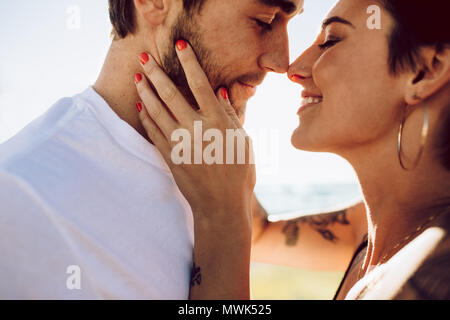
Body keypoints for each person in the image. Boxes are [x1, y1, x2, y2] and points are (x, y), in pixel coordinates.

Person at [135, 0, 450, 299]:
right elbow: (258, 231)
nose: (293, 68)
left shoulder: (433, 275)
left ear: (425, 70)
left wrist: (221, 217)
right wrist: (223, 102)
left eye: (331, 41)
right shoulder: (372, 229)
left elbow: (235, 220)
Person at [0, 0, 305, 299]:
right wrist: (224, 219)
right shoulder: (21, 203)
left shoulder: (216, 169)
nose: (282, 61)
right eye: (264, 20)